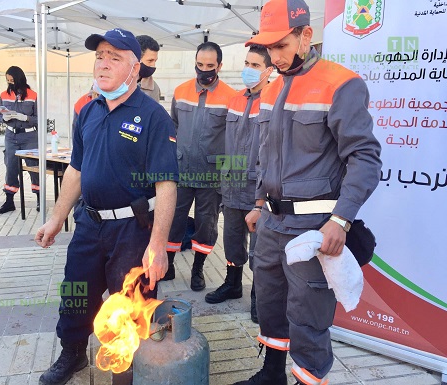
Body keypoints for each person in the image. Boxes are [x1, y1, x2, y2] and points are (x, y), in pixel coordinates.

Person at [235, 0, 382, 384]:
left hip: (313, 227)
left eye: (281, 46)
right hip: (270, 222)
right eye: (268, 48)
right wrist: (257, 204)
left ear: (305, 36)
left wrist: (341, 220)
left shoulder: (342, 84)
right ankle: (271, 375)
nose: (274, 56)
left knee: (308, 316)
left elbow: (364, 159)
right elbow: (266, 155)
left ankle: (309, 378)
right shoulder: (270, 86)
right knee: (269, 302)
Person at [35, 28, 178, 385]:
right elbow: (76, 169)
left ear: (135, 69)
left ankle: (125, 372)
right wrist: (56, 218)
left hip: (132, 230)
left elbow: (166, 185)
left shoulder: (153, 117)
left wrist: (158, 246)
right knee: (74, 292)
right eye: (100, 55)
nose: (103, 63)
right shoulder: (88, 111)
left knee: (130, 305)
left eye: (115, 57)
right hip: (89, 224)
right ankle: (72, 355)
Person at [204, 45, 274, 325]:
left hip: (260, 188)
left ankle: (260, 295)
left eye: (255, 65)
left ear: (269, 70)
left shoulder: (275, 99)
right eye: (247, 63)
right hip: (232, 184)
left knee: (261, 247)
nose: (249, 69)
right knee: (232, 240)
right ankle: (233, 283)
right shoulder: (234, 100)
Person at [163, 41, 237, 291]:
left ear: (220, 66)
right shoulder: (181, 90)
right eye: (200, 65)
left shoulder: (231, 97)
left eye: (210, 66)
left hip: (211, 177)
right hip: (181, 173)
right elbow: (172, 128)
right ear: (195, 63)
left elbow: (234, 139)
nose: (204, 70)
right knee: (173, 220)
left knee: (207, 226)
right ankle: (169, 265)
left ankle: (198, 270)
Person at [0, 66, 39, 214]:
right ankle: (9, 202)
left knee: (34, 168)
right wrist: (4, 117)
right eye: (8, 81)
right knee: (11, 168)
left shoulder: (33, 95)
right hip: (11, 136)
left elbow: (39, 118)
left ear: (20, 79)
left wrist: (25, 118)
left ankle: (40, 199)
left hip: (29, 137)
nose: (10, 84)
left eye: (13, 81)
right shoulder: (4, 94)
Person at [135, 35, 161, 101]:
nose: (153, 65)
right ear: (136, 58)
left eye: (155, 61)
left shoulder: (154, 89)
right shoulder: (114, 80)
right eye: (150, 60)